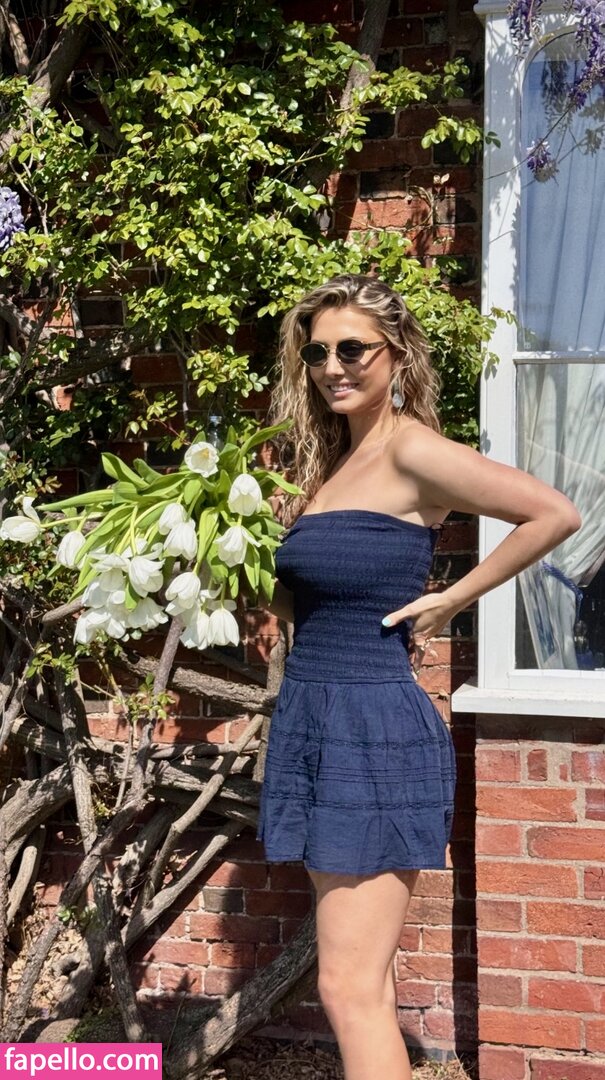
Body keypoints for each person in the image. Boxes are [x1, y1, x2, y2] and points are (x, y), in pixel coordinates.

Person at [256, 274, 580, 1080]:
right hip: (315, 718)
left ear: (395, 355)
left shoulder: (411, 449)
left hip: (370, 730)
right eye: (317, 353)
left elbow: (553, 512)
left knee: (347, 988)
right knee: (363, 983)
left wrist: (454, 596)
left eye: (352, 349)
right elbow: (309, 608)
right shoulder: (334, 464)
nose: (332, 366)